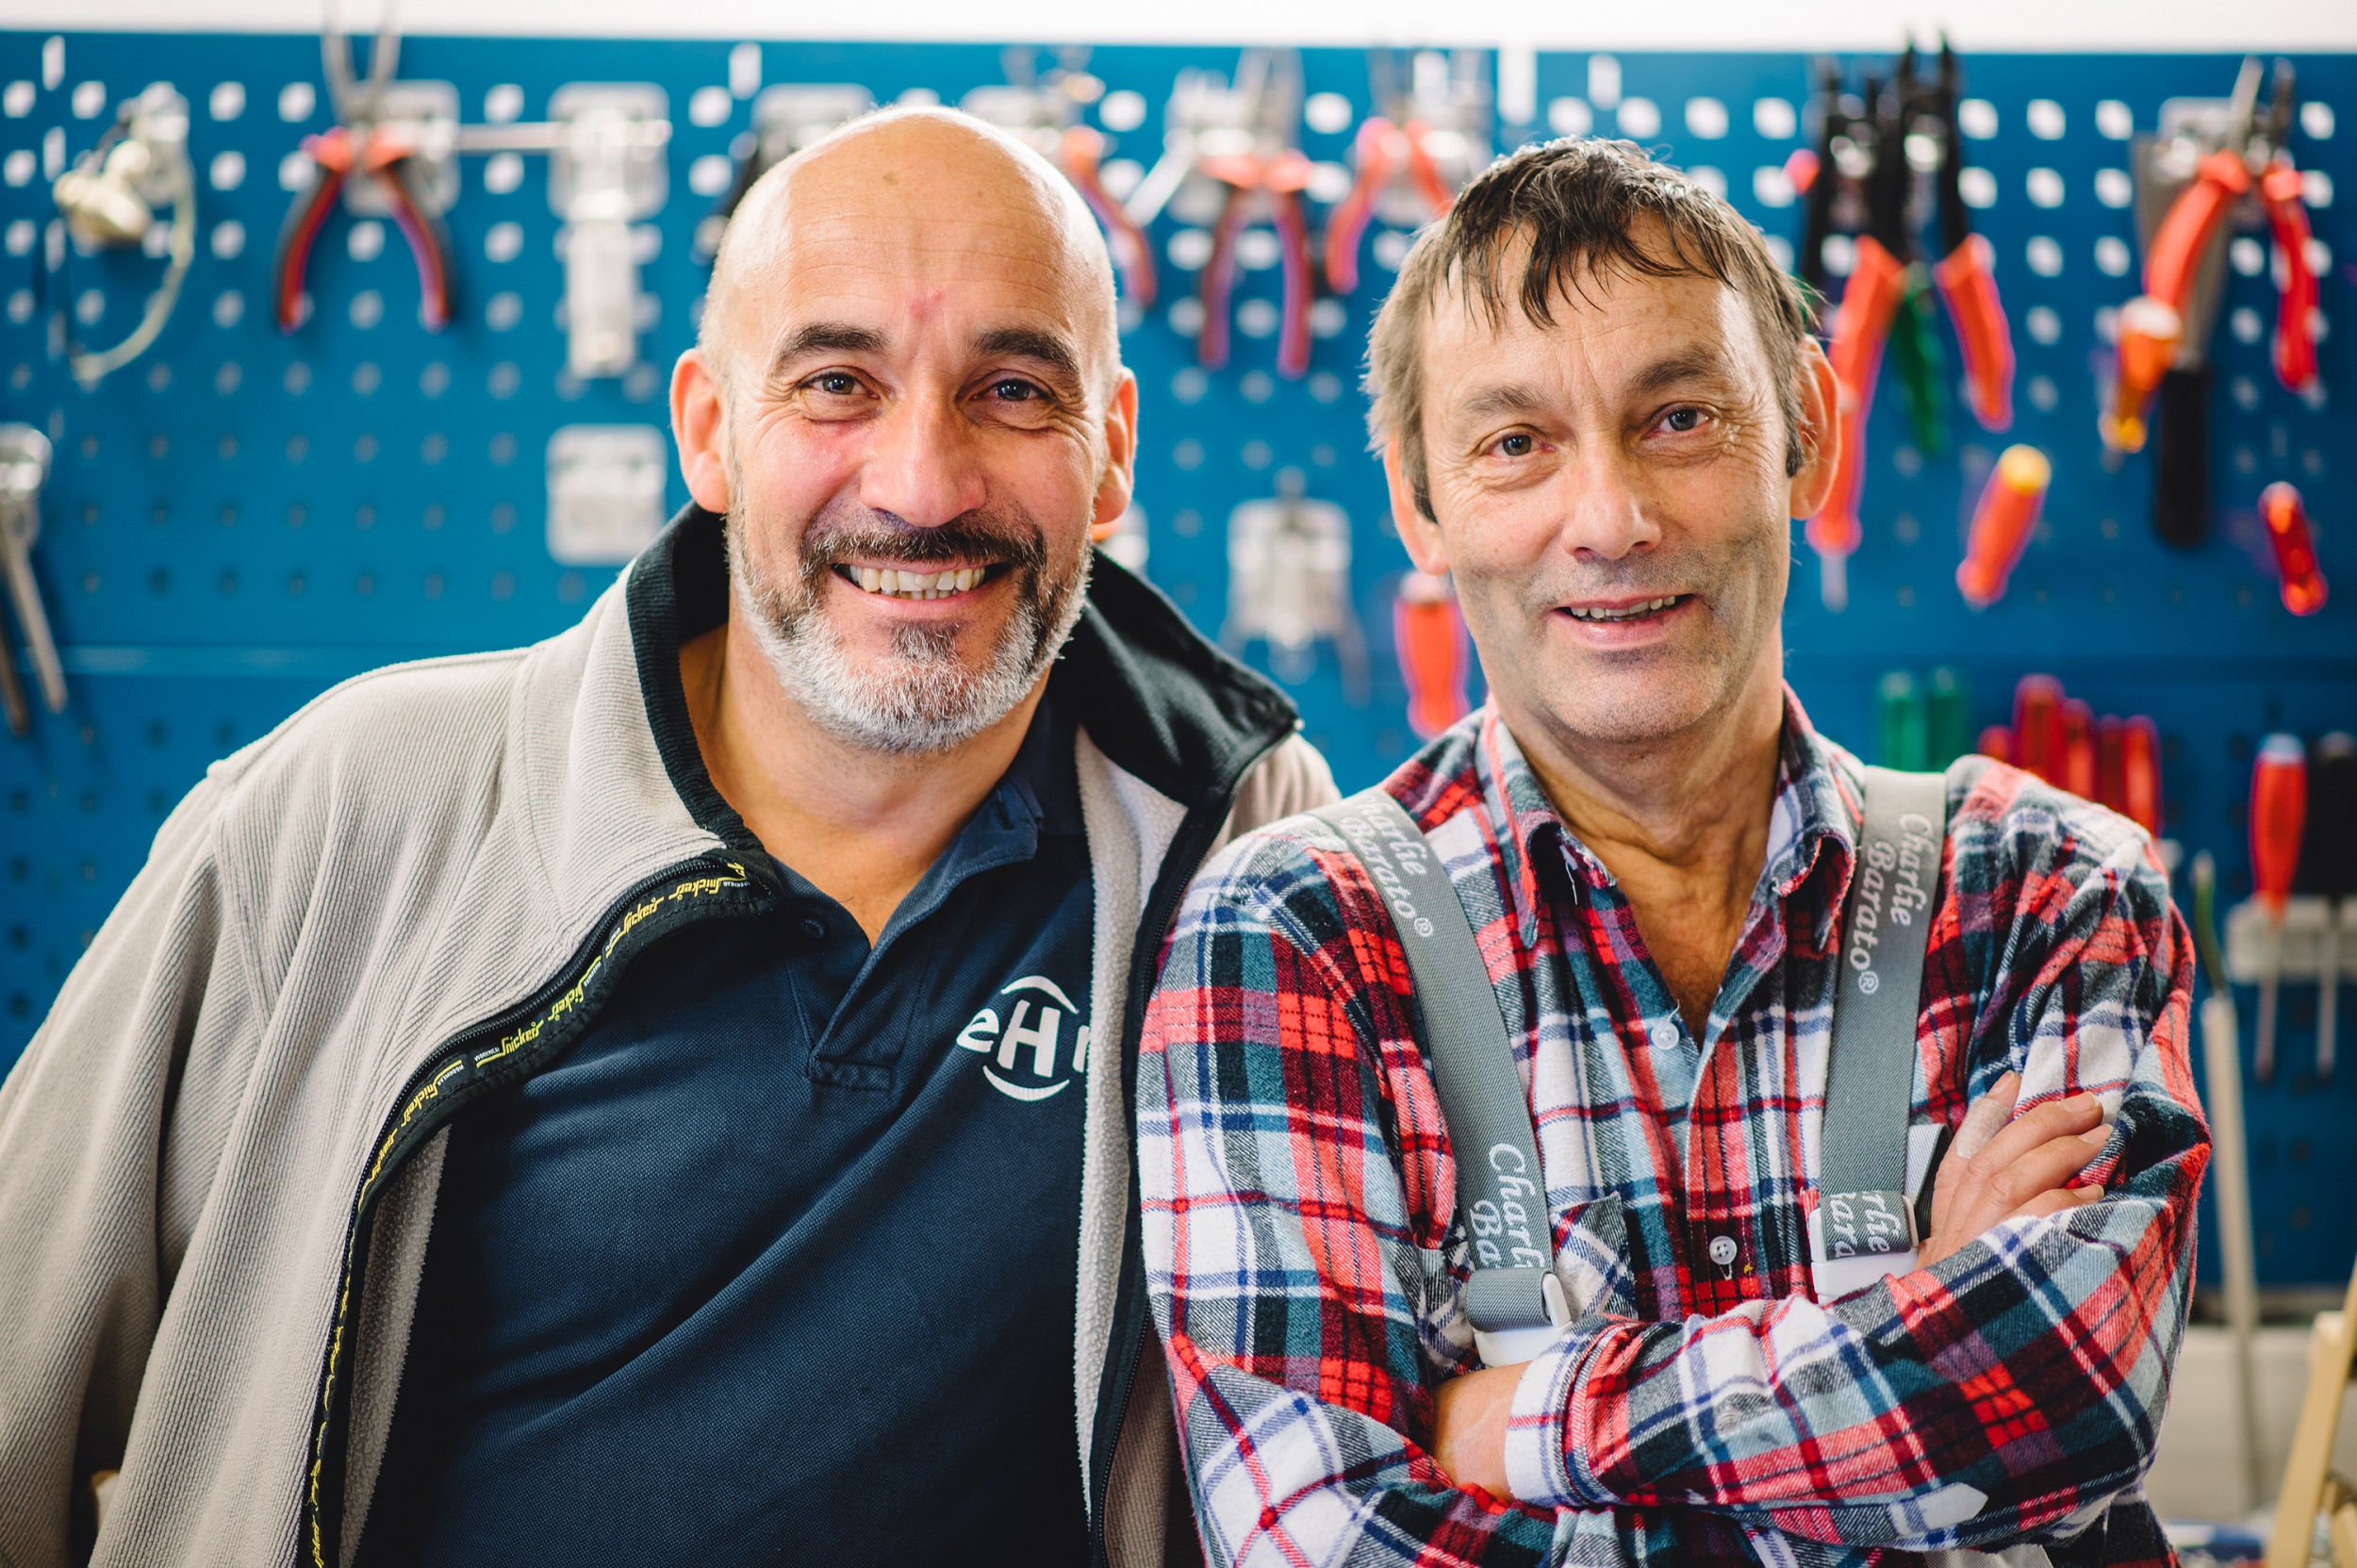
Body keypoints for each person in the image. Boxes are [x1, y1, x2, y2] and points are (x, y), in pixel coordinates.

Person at [0, 107, 1332, 1567]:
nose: (922, 487)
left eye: (1012, 391)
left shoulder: (1247, 866)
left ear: (1112, 450)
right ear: (706, 429)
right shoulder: (341, 823)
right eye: (837, 383)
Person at [1137, 137, 2206, 1567]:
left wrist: (1503, 1426)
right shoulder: (1293, 939)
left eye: (1680, 418)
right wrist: (1910, 1328)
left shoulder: (2049, 891)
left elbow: (2069, 1392)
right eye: (1515, 444)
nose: (1614, 523)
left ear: (1807, 434)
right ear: (1420, 506)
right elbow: (1317, 1536)